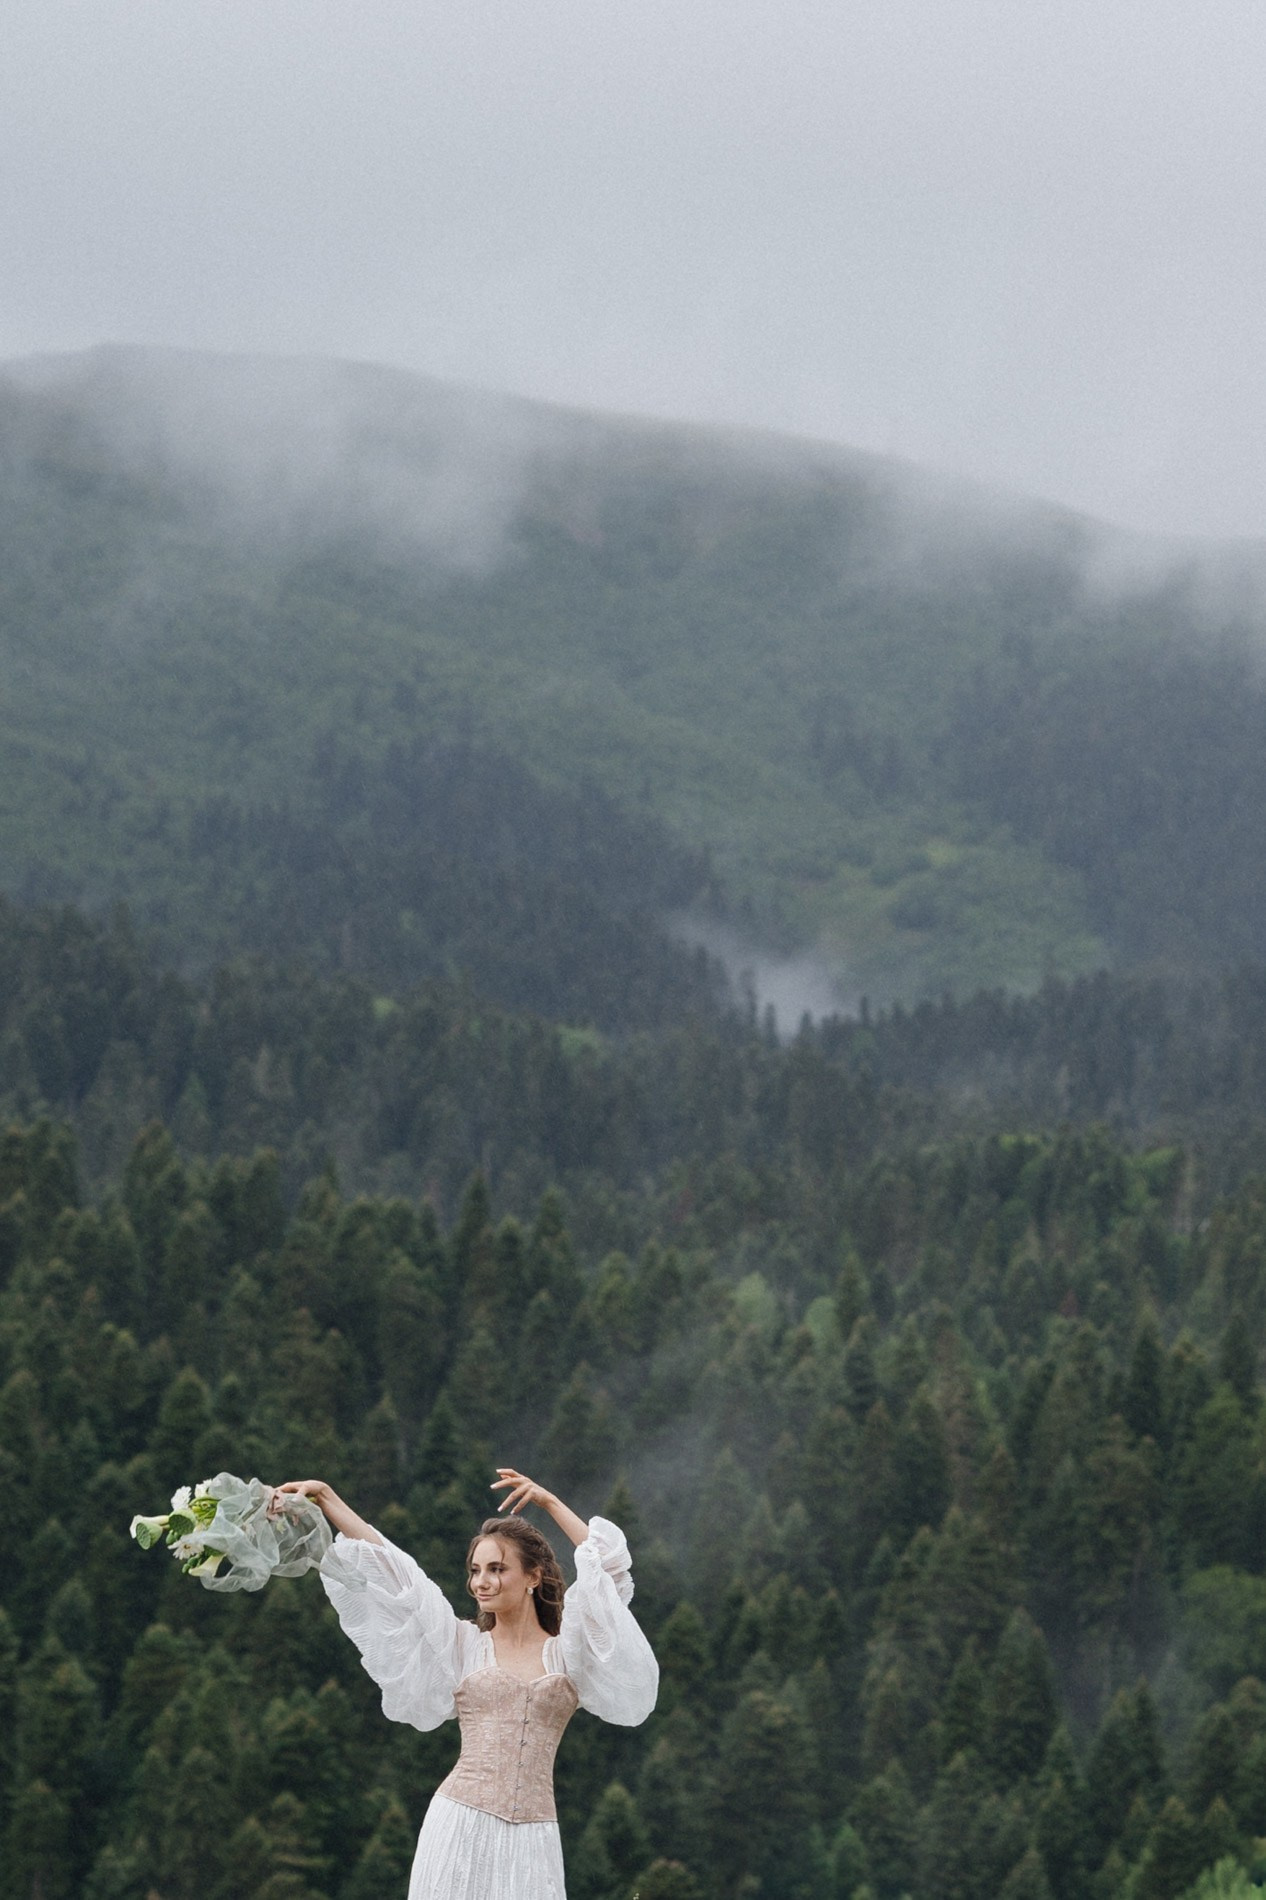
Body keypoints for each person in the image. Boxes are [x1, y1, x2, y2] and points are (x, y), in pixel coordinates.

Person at [269, 1466, 659, 1900]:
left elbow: (605, 1572)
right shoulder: (463, 1645)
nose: (482, 1582)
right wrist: (327, 1499)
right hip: (458, 1823)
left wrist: (549, 1502)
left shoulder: (569, 1652)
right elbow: (398, 1576)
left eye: (497, 1569)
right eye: (475, 1571)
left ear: (533, 1577)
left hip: (536, 1838)